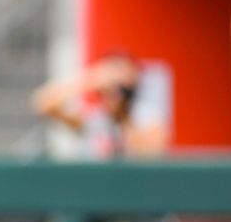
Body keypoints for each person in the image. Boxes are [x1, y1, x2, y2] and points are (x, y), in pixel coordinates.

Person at [32, 50, 172, 159]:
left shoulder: (148, 115)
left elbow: (150, 153)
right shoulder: (96, 118)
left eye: (123, 72)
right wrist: (92, 79)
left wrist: (123, 114)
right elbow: (43, 102)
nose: (116, 82)